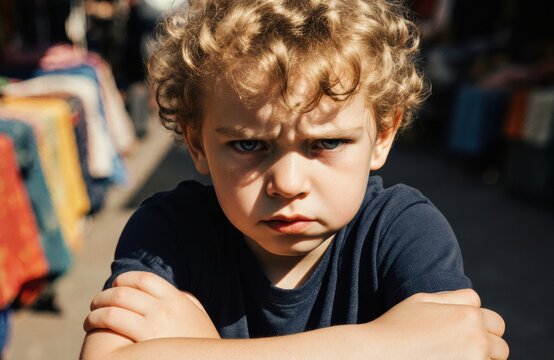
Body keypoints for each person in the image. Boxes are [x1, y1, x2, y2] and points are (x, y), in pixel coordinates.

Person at [80, 0, 509, 359]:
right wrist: (391, 345)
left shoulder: (401, 231)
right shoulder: (169, 232)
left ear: (382, 135)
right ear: (196, 143)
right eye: (249, 146)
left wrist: (198, 349)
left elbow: (462, 345)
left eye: (326, 144)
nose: (286, 184)